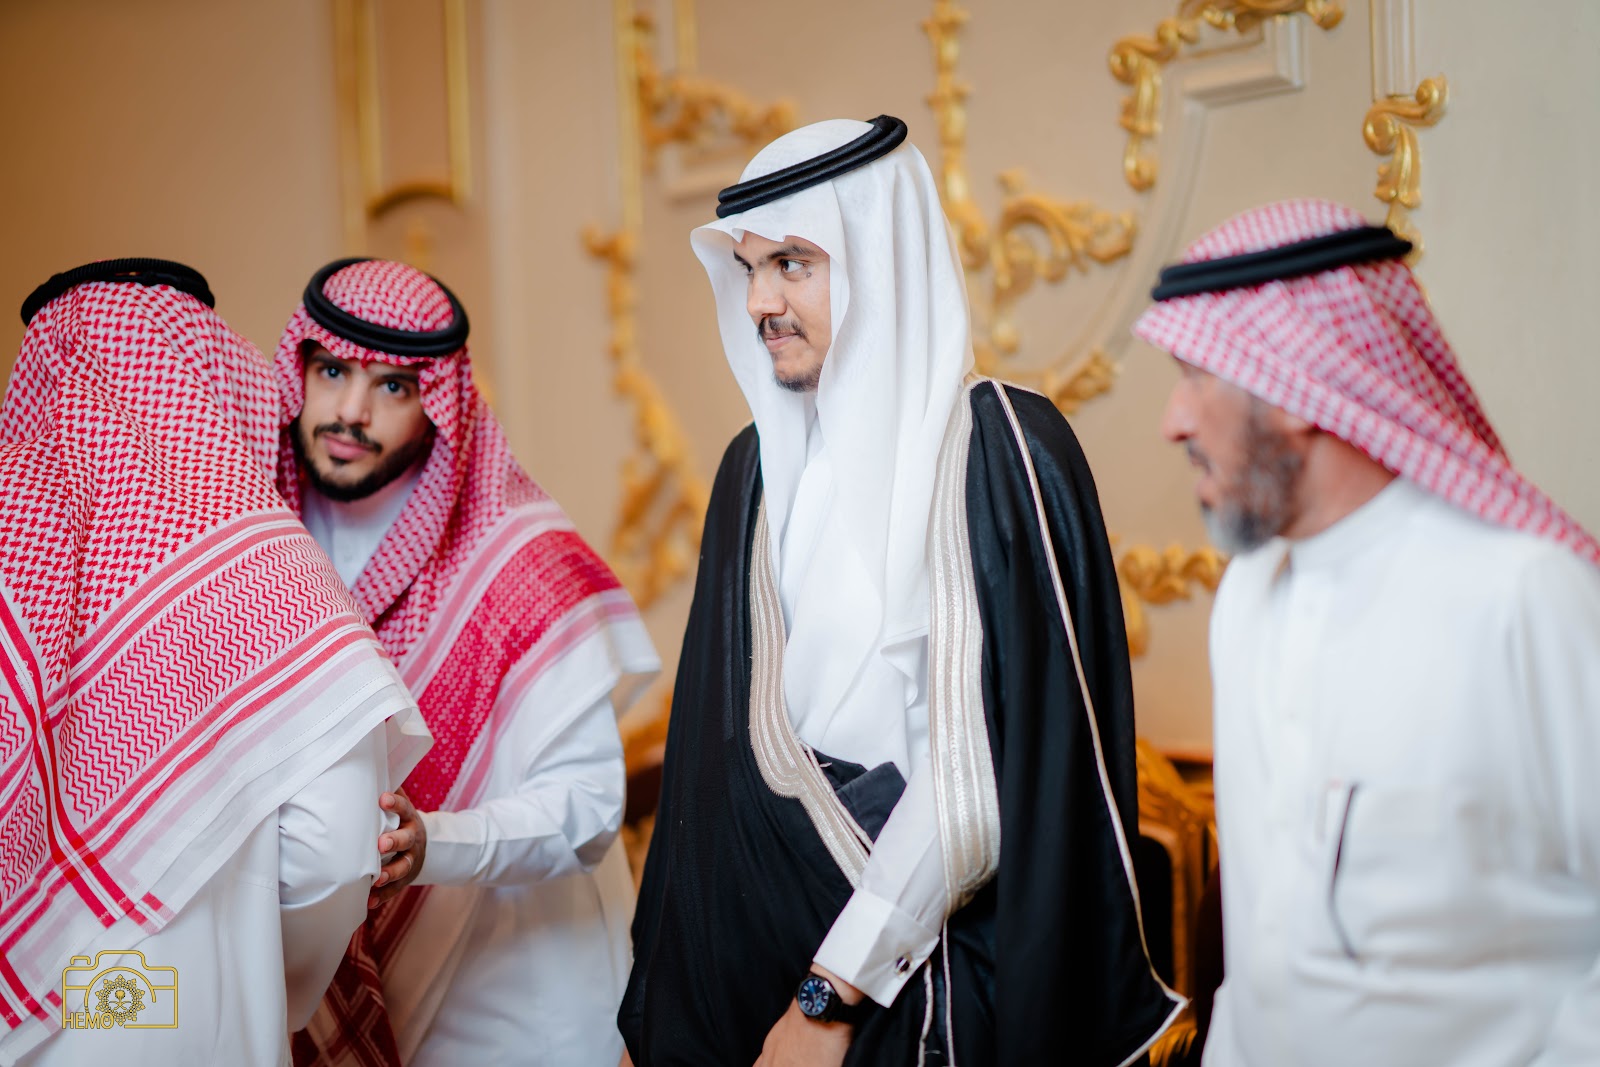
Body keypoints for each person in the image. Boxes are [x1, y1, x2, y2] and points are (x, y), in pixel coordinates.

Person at [621, 116, 1181, 1067]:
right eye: (749, 269)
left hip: (927, 983)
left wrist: (829, 994)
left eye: (792, 263)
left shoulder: (997, 448)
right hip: (766, 978)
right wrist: (665, 1005)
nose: (759, 301)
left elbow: (977, 780)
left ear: (878, 261)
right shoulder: (753, 471)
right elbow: (707, 780)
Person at [1135, 198, 1600, 1065]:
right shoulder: (1247, 596)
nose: (1174, 422)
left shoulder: (1521, 595)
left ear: (1294, 385)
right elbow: (1263, 946)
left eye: (1196, 375)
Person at [0, 260, 429, 1067]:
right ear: (214, 378)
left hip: (28, 1012)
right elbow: (337, 845)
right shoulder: (272, 570)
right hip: (193, 1016)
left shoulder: (15, 546)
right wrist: (273, 982)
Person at [280, 258, 659, 1067]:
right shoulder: (268, 538)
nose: (350, 411)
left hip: (516, 994)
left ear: (436, 406)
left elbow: (590, 804)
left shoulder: (518, 560)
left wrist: (437, 843)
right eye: (333, 371)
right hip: (338, 976)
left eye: (392, 386)